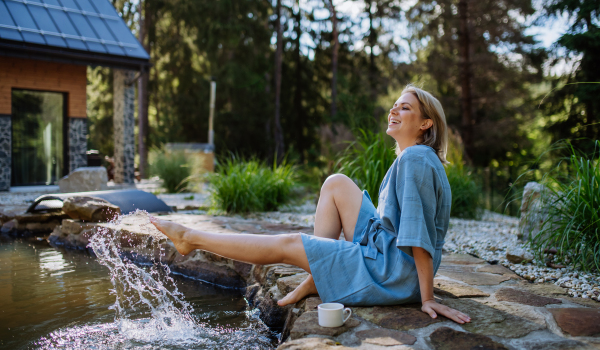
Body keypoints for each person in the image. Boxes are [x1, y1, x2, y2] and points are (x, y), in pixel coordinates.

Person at [150, 84, 471, 324]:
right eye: (394, 106)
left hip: (394, 272)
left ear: (426, 123)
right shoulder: (414, 158)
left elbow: (418, 232)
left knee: (289, 243)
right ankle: (319, 274)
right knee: (336, 183)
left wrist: (425, 297)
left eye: (404, 108)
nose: (394, 111)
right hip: (388, 249)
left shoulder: (415, 158)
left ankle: (190, 239)